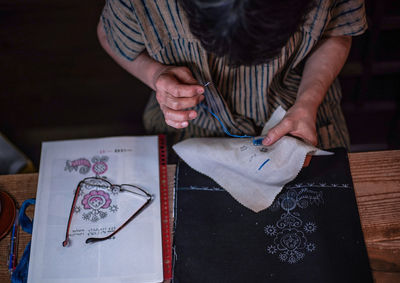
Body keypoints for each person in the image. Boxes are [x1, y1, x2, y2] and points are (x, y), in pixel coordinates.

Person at [97, 0, 367, 149]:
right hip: (190, 131)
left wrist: (308, 102)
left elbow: (338, 31)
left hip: (305, 114)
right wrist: (156, 74)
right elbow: (109, 35)